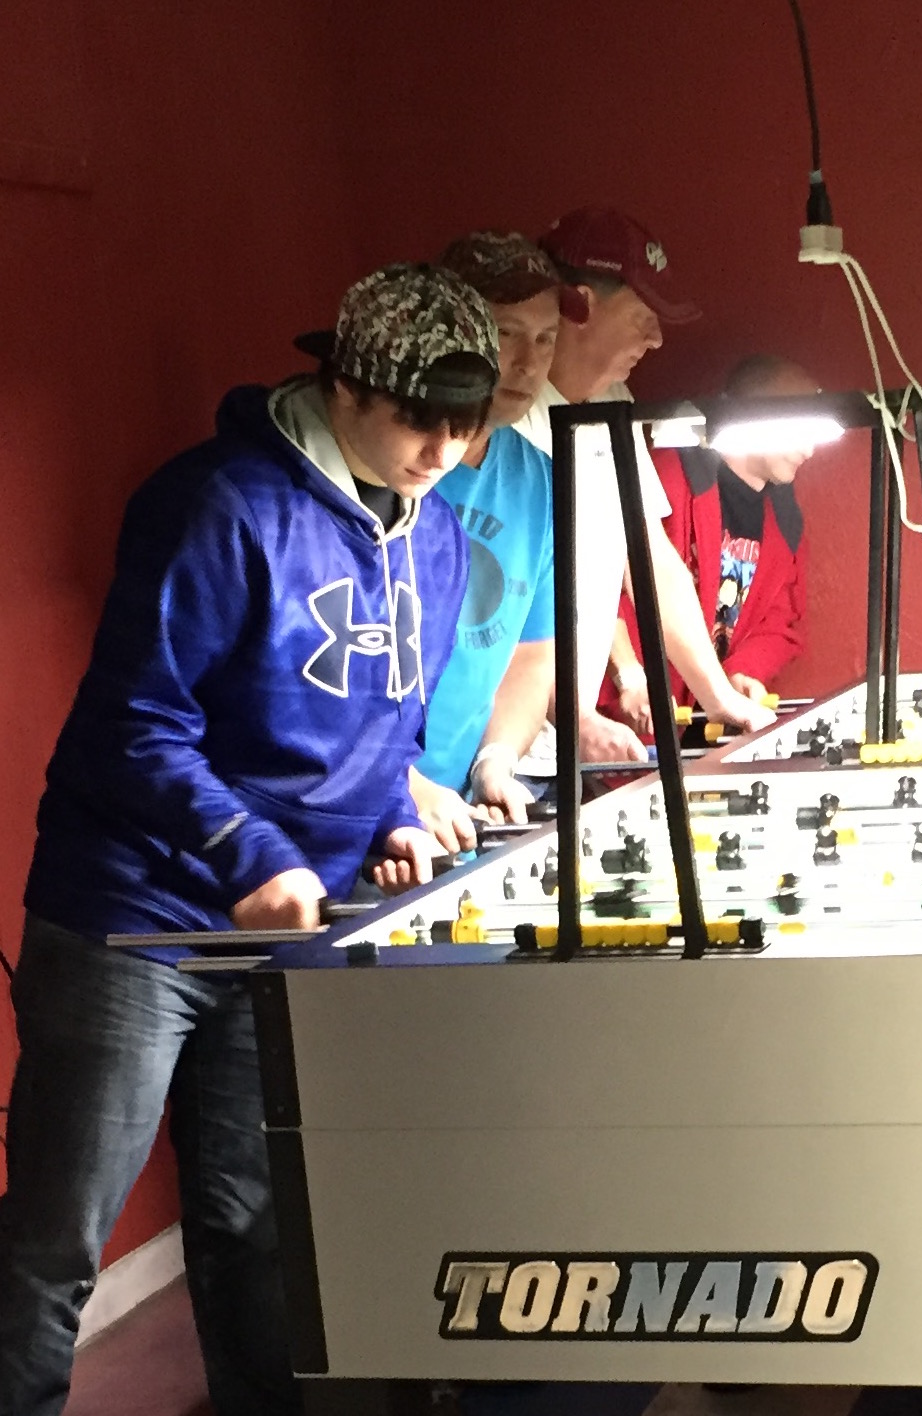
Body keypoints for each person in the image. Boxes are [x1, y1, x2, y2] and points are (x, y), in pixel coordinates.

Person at [0, 263, 492, 1416]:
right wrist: (252, 853)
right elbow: (134, 724)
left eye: (465, 427)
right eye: (420, 419)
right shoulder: (215, 503)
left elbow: (385, 720)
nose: (441, 450)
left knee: (258, 1229)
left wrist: (386, 813)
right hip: (138, 920)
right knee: (58, 1241)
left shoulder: (439, 537)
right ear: (344, 383)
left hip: (284, 935)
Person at [514, 206, 774, 775]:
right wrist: (573, 715)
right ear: (576, 304)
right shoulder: (508, 422)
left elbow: (649, 556)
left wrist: (718, 696)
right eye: (642, 316)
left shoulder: (617, 401)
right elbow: (499, 596)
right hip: (497, 756)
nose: (656, 339)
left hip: (557, 749)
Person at [407, 231, 563, 853]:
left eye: (547, 337)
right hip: (356, 813)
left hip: (453, 815)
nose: (530, 362)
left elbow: (531, 653)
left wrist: (495, 760)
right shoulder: (394, 466)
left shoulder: (542, 480)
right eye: (507, 333)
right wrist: (401, 788)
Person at [604, 354, 817, 730]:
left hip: (698, 734)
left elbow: (780, 620)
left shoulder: (785, 518)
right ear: (753, 414)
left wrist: (741, 672)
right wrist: (630, 675)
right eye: (799, 432)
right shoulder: (667, 476)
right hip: (619, 726)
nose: (809, 450)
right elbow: (601, 581)